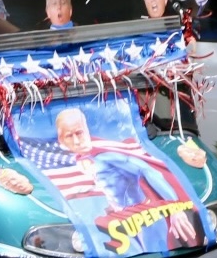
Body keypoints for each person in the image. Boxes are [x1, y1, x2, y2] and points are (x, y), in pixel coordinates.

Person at [54, 107, 198, 250]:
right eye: (69, 136)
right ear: (61, 140)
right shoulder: (82, 161)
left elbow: (149, 171)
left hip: (145, 217)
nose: (76, 141)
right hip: (121, 221)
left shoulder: (107, 156)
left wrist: (174, 207)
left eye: (79, 133)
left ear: (86, 130)